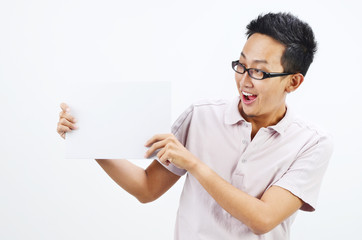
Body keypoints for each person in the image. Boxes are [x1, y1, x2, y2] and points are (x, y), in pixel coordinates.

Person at [56, 12, 333, 240]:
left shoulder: (312, 143)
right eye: (241, 65)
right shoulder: (201, 116)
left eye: (259, 71)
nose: (245, 80)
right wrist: (90, 140)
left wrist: (195, 165)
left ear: (293, 82)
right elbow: (146, 188)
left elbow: (263, 219)